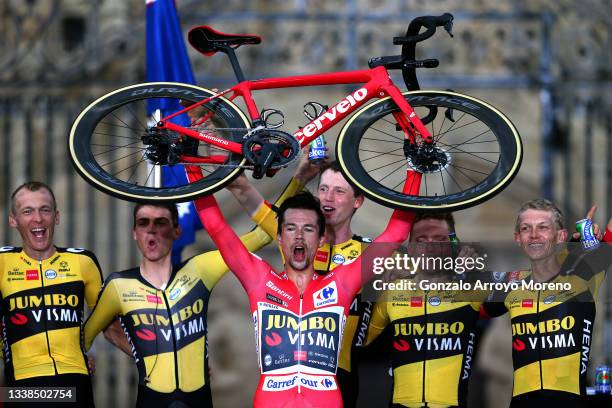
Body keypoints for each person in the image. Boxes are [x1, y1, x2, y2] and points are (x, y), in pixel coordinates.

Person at [189, 164, 418, 408]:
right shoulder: (259, 279)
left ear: (320, 239)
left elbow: (396, 233)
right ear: (278, 237)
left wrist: (415, 169)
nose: (299, 236)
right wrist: (190, 165)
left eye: (308, 228)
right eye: (290, 228)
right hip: (272, 400)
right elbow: (216, 227)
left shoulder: (342, 282)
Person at [82, 190, 292, 407]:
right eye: (143, 223)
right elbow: (85, 339)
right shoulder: (118, 285)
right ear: (135, 232)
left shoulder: (199, 270)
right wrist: (81, 363)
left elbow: (262, 236)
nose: (151, 230)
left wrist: (299, 180)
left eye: (160, 222)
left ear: (176, 231)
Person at [228, 153, 374, 407]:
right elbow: (244, 192)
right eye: (324, 189)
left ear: (358, 201)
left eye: (339, 191)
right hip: (286, 376)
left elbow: (431, 279)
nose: (328, 198)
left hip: (341, 377)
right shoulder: (296, 235)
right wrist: (300, 177)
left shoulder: (372, 253)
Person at [481, 199, 611, 407]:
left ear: (561, 236)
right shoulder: (509, 283)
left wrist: (584, 245)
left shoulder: (583, 274)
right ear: (518, 238)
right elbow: (459, 309)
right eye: (526, 228)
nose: (534, 235)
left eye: (543, 227)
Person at [365, 212, 486, 408]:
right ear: (410, 248)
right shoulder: (393, 292)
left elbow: (514, 297)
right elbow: (361, 339)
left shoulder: (471, 291)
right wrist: (375, 282)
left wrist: (476, 271)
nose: (430, 247)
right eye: (421, 240)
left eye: (439, 239)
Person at [0, 181, 104, 407]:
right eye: (27, 211)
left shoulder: (82, 261)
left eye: (44, 209)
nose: (38, 218)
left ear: (56, 216)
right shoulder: (2, 261)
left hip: (75, 381)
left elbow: (111, 325)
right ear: (13, 220)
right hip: (21, 385)